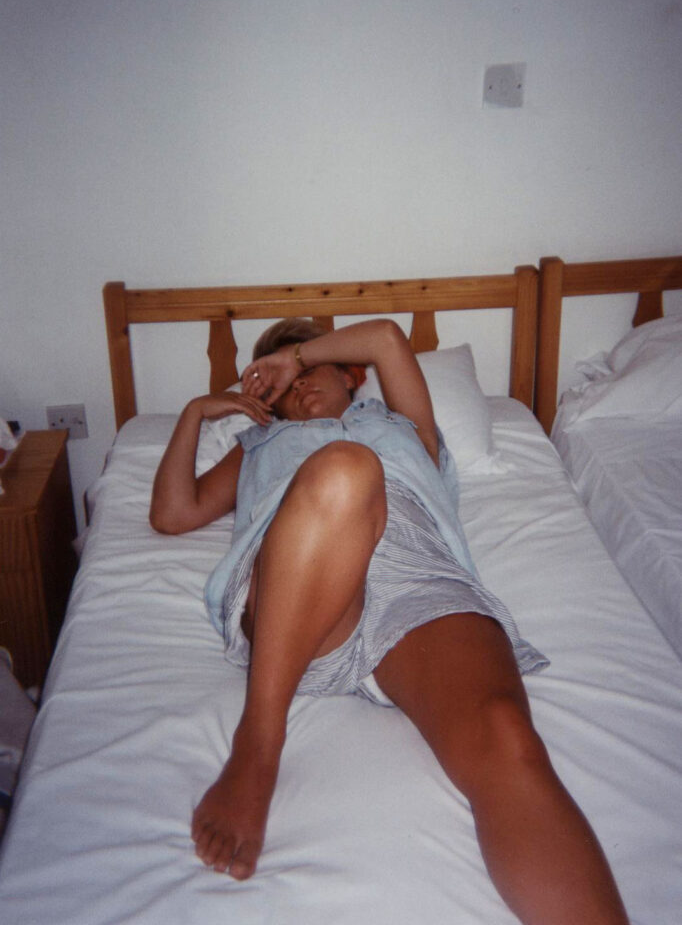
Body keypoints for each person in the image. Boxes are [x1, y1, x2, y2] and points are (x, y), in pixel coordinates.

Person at [150, 317, 629, 925]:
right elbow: (172, 513)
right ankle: (259, 741)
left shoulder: (405, 426)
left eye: (307, 371)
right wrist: (195, 412)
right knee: (345, 470)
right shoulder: (258, 445)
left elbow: (385, 340)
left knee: (506, 734)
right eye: (281, 387)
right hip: (299, 589)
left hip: (417, 580)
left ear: (351, 376)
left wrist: (293, 356)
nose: (296, 386)